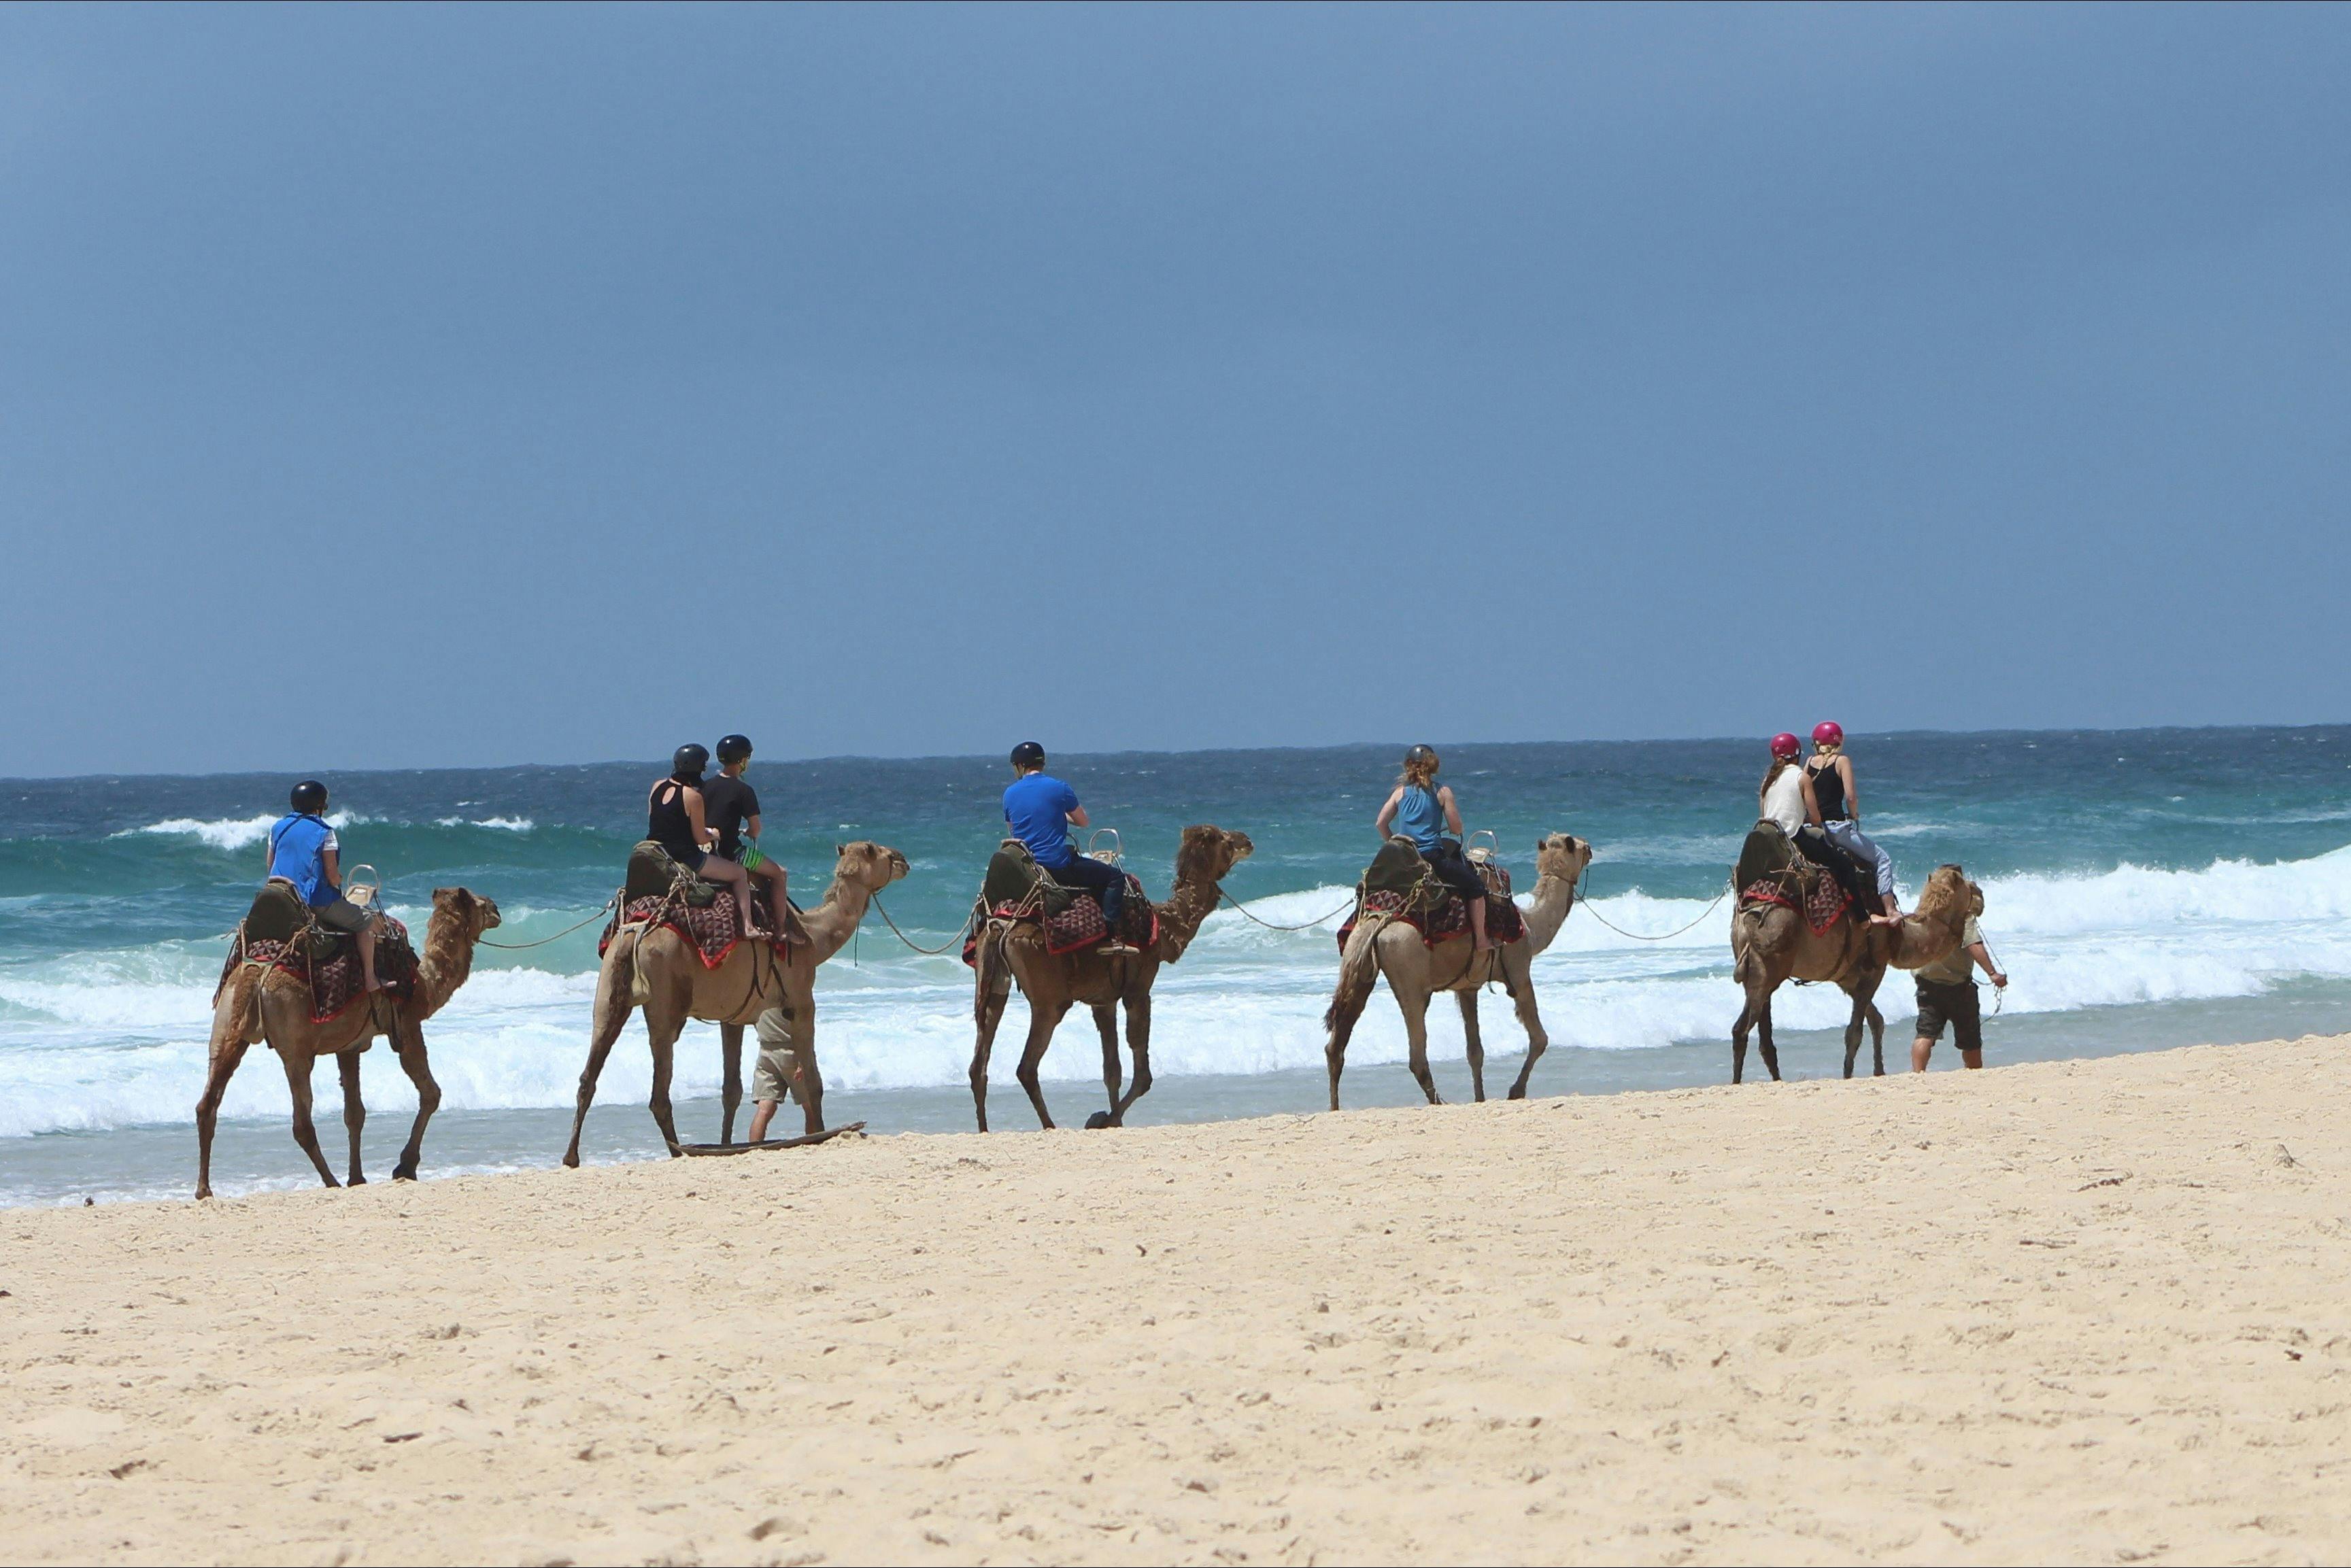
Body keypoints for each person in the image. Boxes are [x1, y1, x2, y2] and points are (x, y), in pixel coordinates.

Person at [1002, 740, 1134, 955]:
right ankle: (1110, 938)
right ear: (1042, 763)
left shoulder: (1009, 794)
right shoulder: (1060, 788)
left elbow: (1014, 832)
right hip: (1057, 866)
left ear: (1020, 766)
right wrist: (1060, 815)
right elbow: (1083, 822)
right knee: (1115, 878)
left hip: (1029, 868)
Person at [264, 779, 385, 992]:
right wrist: (339, 880)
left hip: (280, 899)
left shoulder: (278, 828)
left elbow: (270, 865)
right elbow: (331, 877)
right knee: (366, 921)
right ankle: (370, 979)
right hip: (313, 903)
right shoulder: (324, 832)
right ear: (319, 807)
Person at [1374, 745, 1492, 951]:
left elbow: (1381, 824)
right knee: (1476, 887)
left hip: (1406, 859)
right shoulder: (1442, 792)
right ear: (1433, 766)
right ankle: (1481, 941)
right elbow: (1456, 829)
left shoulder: (1399, 793)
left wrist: (1394, 844)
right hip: (1432, 857)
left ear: (1408, 767)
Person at [647, 744, 763, 941]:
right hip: (686, 857)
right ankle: (748, 926)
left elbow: (658, 821)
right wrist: (714, 835)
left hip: (658, 853)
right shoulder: (693, 797)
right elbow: (700, 838)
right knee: (740, 874)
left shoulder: (657, 786)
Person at [1804, 721, 1901, 925]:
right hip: (1836, 828)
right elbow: (1850, 797)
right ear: (1839, 742)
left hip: (1811, 828)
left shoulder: (1809, 762)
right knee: (1882, 860)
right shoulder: (1842, 761)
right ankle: (1891, 911)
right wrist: (1854, 815)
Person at [1759, 732, 1872, 909]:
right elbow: (1816, 818)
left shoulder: (1767, 780)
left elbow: (1765, 815)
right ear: (1798, 753)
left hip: (1770, 841)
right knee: (1845, 864)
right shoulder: (1802, 777)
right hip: (1793, 838)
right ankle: (1862, 916)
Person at [1912, 889, 2006, 1071]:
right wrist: (1993, 974)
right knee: (1970, 1039)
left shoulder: (1924, 914)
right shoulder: (1963, 916)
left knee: (1925, 1034)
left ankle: (1917, 1074)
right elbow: (1973, 944)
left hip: (1927, 983)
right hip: (1958, 987)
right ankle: (1974, 1073)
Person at [703, 734, 789, 926]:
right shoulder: (744, 790)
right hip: (732, 853)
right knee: (779, 873)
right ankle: (782, 929)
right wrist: (749, 832)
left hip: (705, 853)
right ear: (742, 760)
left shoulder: (705, 786)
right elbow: (756, 829)